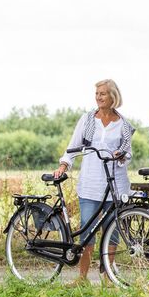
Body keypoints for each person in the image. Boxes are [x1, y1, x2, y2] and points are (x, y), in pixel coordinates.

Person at [54, 79, 134, 285]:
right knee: (87, 232)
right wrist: (64, 165)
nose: (98, 97)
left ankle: (108, 278)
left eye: (103, 93)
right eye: (97, 93)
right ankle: (82, 278)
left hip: (115, 185)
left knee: (112, 232)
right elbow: (73, 146)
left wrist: (121, 155)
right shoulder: (87, 119)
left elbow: (128, 154)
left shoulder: (123, 124)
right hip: (90, 184)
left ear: (113, 96)